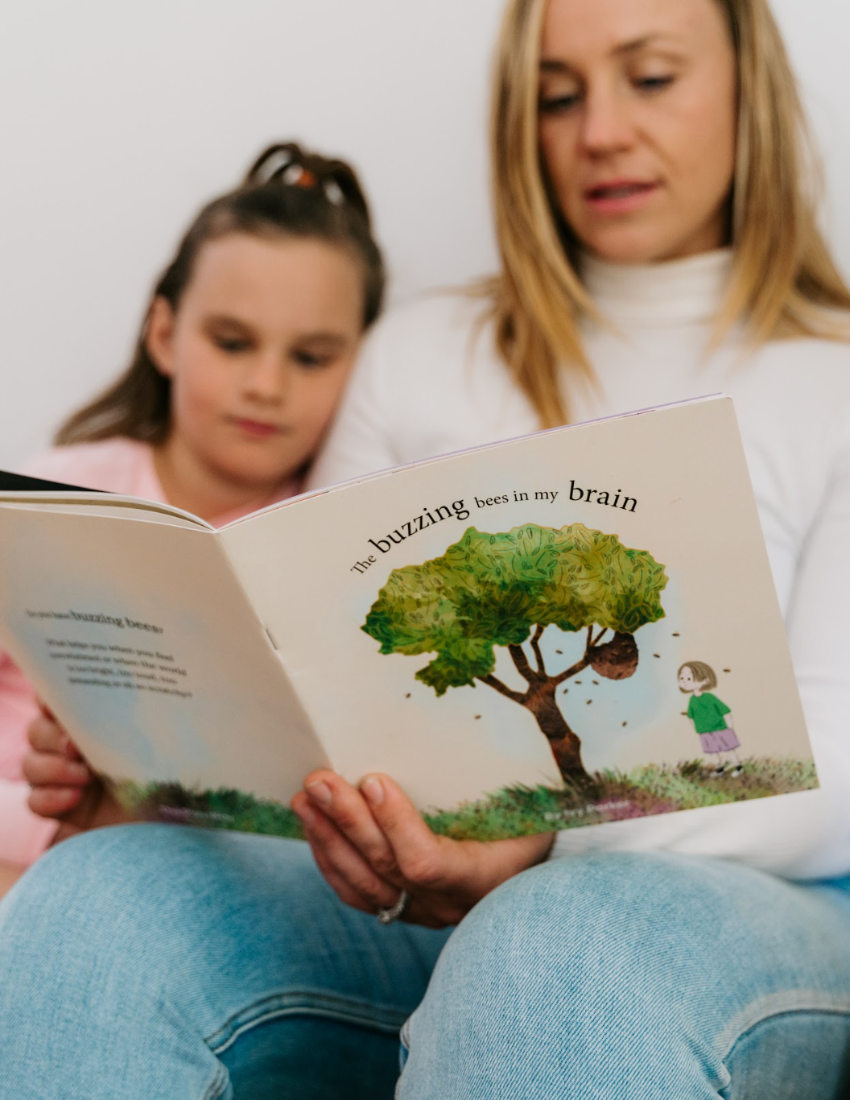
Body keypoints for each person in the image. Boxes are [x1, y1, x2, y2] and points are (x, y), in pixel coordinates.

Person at [4, 0, 850, 1095]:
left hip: (747, 905)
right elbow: (324, 686)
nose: (597, 130)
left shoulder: (830, 377)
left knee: (550, 947)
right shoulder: (410, 357)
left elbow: (835, 761)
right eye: (555, 95)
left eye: (648, 78)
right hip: (395, 896)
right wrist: (162, 766)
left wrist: (537, 842)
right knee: (95, 905)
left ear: (750, 90)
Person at [0, 141, 385, 891]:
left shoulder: (331, 551)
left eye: (311, 358)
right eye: (232, 342)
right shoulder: (50, 496)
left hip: (184, 884)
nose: (267, 384)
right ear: (165, 333)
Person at [678, 660, 744, 775]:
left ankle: (738, 767)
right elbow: (690, 716)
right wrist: (695, 728)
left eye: (689, 679)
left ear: (704, 681)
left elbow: (725, 711)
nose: (684, 682)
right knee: (713, 751)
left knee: (729, 748)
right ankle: (720, 770)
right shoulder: (692, 700)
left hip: (721, 728)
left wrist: (729, 726)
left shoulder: (710, 697)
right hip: (704, 731)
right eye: (682, 678)